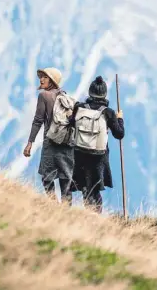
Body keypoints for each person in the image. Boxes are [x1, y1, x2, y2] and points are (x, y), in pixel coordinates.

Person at [69, 76, 125, 213]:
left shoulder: (79, 107)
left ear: (90, 92)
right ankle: (96, 216)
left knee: (85, 187)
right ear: (104, 94)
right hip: (98, 156)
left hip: (80, 152)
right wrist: (120, 119)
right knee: (94, 189)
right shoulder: (108, 113)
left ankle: (89, 213)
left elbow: (71, 123)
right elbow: (119, 134)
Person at [23, 67, 74, 205]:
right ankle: (67, 211)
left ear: (52, 80)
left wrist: (30, 143)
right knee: (65, 178)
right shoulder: (64, 95)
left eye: (45, 77)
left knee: (47, 178)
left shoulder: (44, 96)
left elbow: (38, 120)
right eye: (41, 77)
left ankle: (53, 205)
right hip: (67, 144)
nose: (41, 79)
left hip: (51, 142)